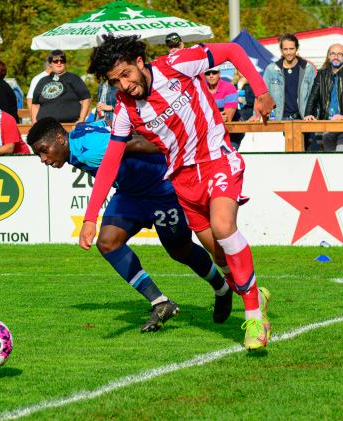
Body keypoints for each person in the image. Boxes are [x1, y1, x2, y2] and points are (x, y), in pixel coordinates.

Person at [82, 34, 275, 351]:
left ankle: (255, 318)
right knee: (220, 254)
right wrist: (92, 217)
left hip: (217, 159)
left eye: (126, 75)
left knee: (224, 227)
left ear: (140, 62)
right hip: (183, 181)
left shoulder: (177, 64)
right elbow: (109, 163)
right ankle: (254, 292)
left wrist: (261, 91)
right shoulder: (124, 110)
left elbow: (232, 50)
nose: (124, 85)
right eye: (116, 81)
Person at [27, 117, 233, 332]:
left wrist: (178, 144)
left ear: (59, 139)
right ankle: (161, 303)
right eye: (38, 154)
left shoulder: (88, 149)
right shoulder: (77, 135)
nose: (43, 158)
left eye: (44, 150)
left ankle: (222, 288)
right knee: (107, 242)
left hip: (161, 189)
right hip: (131, 193)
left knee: (181, 251)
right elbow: (105, 127)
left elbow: (132, 143)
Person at [304, 43, 343, 152]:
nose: (336, 56)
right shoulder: (321, 74)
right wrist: (308, 114)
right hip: (327, 125)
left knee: (341, 156)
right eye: (333, 53)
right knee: (329, 160)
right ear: (329, 56)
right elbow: (313, 96)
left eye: (340, 54)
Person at [263, 33, 316, 121]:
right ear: (281, 50)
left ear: (297, 48)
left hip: (303, 119)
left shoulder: (307, 68)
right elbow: (263, 96)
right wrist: (258, 115)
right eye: (285, 49)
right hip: (279, 120)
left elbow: (314, 96)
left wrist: (311, 114)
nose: (288, 52)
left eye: (291, 49)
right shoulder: (271, 69)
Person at [31, 50, 91, 124]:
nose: (59, 63)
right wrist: (34, 123)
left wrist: (82, 119)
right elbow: (35, 104)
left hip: (69, 124)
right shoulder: (43, 81)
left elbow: (86, 99)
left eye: (62, 60)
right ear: (50, 64)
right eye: (56, 61)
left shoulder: (73, 78)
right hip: (45, 126)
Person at [205, 67, 244, 149]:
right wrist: (217, 116)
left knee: (228, 156)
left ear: (219, 74)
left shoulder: (229, 88)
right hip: (210, 131)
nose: (211, 75)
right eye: (208, 73)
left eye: (214, 72)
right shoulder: (201, 89)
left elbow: (227, 119)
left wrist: (208, 116)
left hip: (232, 131)